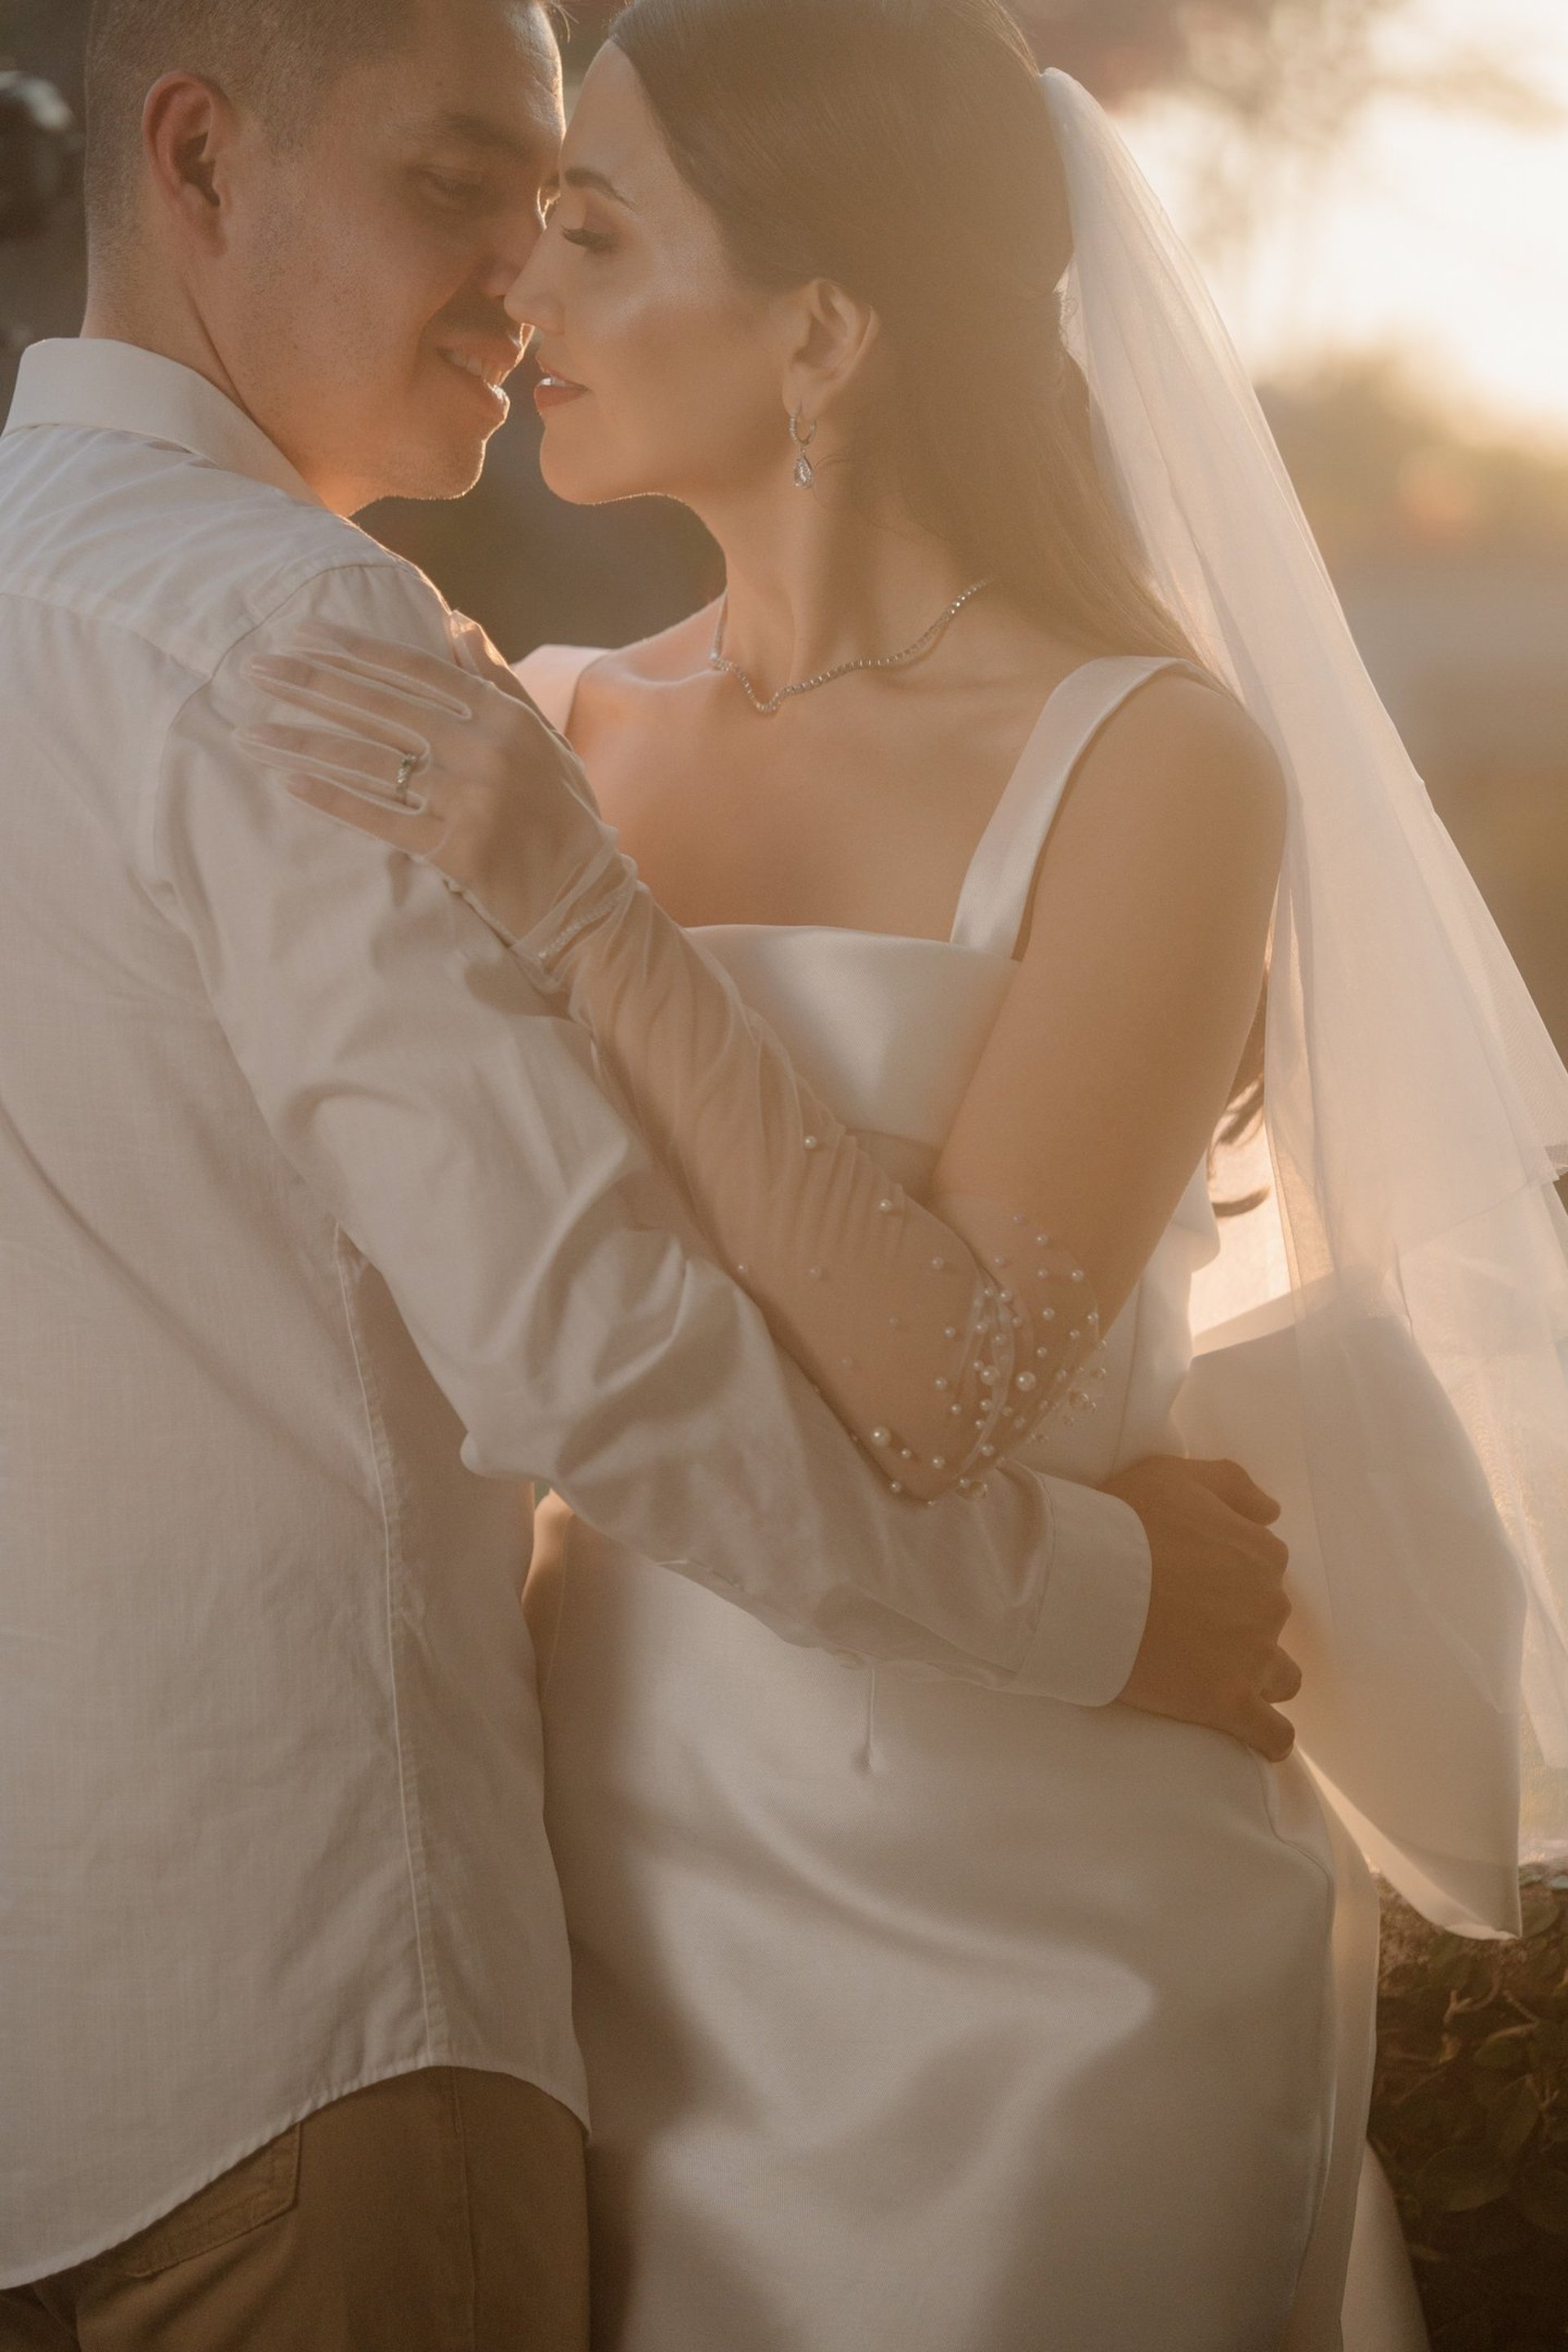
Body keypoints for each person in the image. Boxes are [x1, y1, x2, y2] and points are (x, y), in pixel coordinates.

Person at [0, 2, 1308, 2344]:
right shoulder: (511, 713)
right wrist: (1111, 1609)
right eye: (492, 200)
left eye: (584, 223)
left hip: (973, 1889)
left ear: (823, 325)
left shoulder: (1146, 756)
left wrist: (588, 911)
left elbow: (948, 1365)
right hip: (611, 1859)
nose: (525, 284)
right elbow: (585, 1348)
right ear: (194, 163)